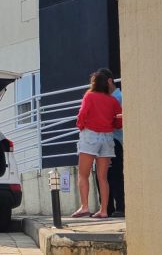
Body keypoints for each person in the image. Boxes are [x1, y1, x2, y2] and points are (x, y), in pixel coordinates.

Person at [72, 70, 123, 219]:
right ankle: (104, 210)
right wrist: (111, 125)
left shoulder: (89, 95)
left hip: (90, 135)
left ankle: (85, 207)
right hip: (107, 138)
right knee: (103, 177)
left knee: (83, 174)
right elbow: (119, 120)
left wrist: (81, 126)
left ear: (94, 83)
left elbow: (82, 114)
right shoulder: (112, 100)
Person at [98, 68, 125, 218]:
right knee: (102, 175)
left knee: (114, 174)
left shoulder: (120, 97)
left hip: (114, 141)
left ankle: (121, 207)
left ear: (109, 81)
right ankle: (106, 209)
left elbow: (118, 121)